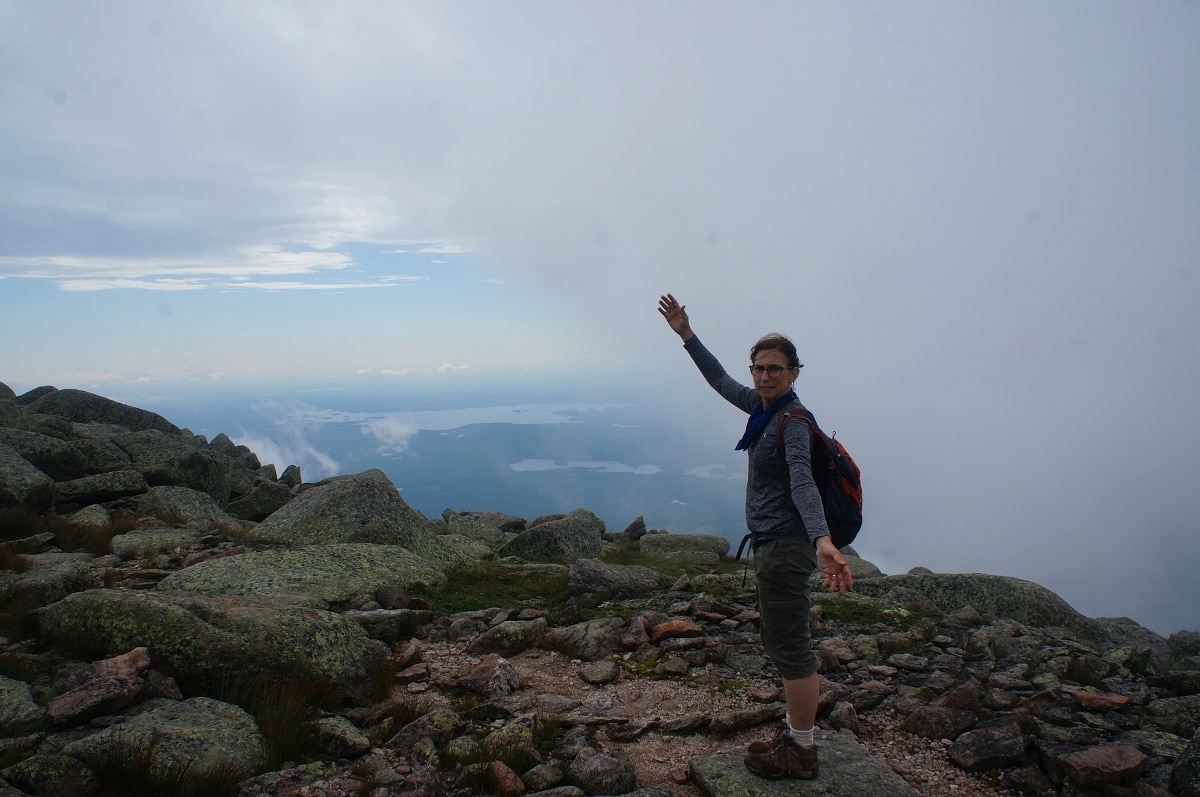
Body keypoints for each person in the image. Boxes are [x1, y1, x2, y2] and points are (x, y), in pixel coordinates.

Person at [657, 292, 854, 780]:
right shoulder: (765, 408)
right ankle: (795, 733)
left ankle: (801, 750)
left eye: (775, 368)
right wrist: (686, 334)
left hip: (787, 547)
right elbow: (719, 380)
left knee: (790, 646)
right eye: (759, 367)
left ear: (794, 373)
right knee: (783, 640)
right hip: (774, 545)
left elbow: (804, 483)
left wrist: (822, 540)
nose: (764, 376)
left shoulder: (792, 422)